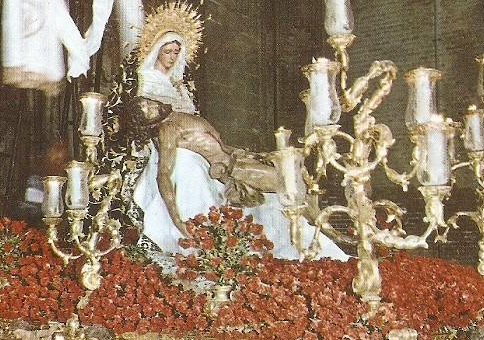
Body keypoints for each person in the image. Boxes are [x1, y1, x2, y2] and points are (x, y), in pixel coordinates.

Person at [130, 95, 349, 261]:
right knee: (289, 185)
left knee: (297, 177)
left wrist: (253, 154)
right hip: (233, 171)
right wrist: (177, 219)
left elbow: (221, 146)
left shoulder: (179, 118)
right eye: (146, 110)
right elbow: (164, 174)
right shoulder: (168, 129)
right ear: (146, 122)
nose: (151, 106)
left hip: (238, 159)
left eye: (148, 102)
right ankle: (325, 232)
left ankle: (322, 231)